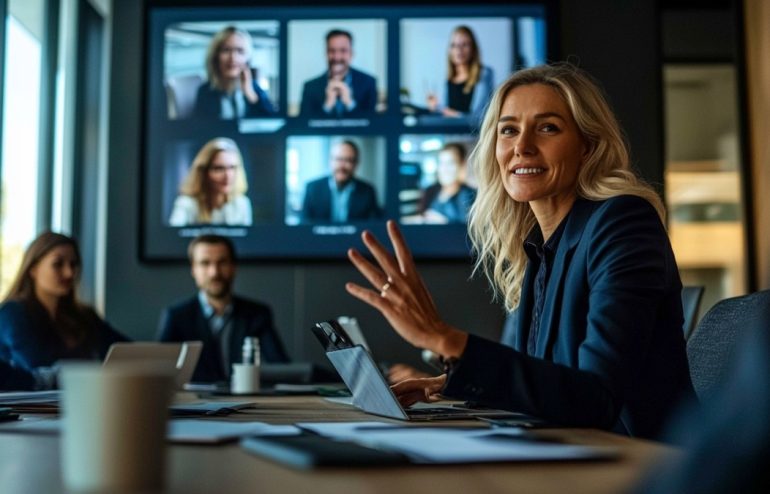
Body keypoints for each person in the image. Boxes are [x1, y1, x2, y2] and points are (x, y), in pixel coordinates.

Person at [345, 63, 694, 439]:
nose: (521, 147)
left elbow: (598, 399)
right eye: (508, 130)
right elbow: (547, 384)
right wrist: (451, 381)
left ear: (587, 147)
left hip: (645, 464)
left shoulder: (623, 222)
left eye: (547, 128)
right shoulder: (538, 247)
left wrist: (443, 338)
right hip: (570, 454)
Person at [157, 234, 289, 383]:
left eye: (222, 262)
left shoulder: (257, 314)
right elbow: (160, 373)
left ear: (234, 267)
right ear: (193, 269)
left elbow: (282, 368)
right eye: (205, 263)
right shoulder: (177, 316)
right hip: (194, 403)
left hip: (247, 400)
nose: (215, 272)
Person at [0, 232, 128, 372]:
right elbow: (39, 368)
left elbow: (128, 351)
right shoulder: (12, 313)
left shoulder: (85, 316)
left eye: (73, 264)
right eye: (58, 264)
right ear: (33, 269)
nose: (69, 273)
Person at [193, 26, 276, 119]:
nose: (233, 57)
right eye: (226, 50)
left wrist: (250, 94)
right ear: (216, 56)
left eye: (240, 51)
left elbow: (273, 121)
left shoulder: (254, 87)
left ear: (247, 58)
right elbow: (199, 127)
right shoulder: (205, 91)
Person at [168, 137, 253, 227]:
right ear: (203, 172)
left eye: (232, 167)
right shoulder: (186, 204)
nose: (228, 176)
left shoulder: (242, 203)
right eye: (219, 168)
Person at [299, 29, 378, 118]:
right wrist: (327, 106)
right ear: (326, 53)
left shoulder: (369, 83)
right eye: (332, 51)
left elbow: (372, 124)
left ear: (351, 54)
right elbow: (303, 126)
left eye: (343, 50)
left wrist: (350, 103)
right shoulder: (310, 87)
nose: (337, 57)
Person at [301, 140, 382, 223]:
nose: (342, 165)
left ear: (356, 164)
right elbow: (304, 225)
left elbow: (373, 225)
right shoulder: (312, 188)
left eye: (348, 160)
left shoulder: (368, 191)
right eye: (338, 159)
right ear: (330, 161)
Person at [426, 26, 494, 123]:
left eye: (464, 44)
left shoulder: (484, 74)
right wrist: (435, 108)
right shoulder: (447, 80)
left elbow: (480, 117)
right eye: (454, 45)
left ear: (473, 48)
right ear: (449, 50)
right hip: (450, 137)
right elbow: (444, 116)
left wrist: (452, 113)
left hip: (474, 137)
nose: (459, 50)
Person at [416, 142, 476, 224]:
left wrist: (445, 222)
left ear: (462, 165)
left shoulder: (471, 196)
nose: (444, 169)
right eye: (441, 163)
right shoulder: (430, 191)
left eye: (450, 163)